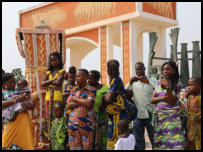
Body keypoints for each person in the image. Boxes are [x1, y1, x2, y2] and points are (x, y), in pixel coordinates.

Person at [102, 59, 137, 150]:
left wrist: (103, 96)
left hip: (118, 114)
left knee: (118, 137)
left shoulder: (116, 80)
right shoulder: (114, 80)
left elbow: (108, 98)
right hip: (115, 114)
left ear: (108, 69)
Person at [151, 61, 184, 150]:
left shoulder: (178, 85)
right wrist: (163, 98)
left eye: (167, 69)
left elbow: (173, 102)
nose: (165, 71)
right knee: (161, 143)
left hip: (172, 118)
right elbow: (152, 100)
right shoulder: (159, 84)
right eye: (163, 69)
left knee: (175, 143)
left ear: (174, 70)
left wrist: (168, 88)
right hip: (160, 118)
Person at [126, 62, 156, 150]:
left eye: (141, 69)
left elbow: (158, 89)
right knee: (139, 140)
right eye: (137, 69)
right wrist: (130, 83)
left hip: (151, 113)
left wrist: (148, 82)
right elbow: (125, 93)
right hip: (137, 114)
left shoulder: (152, 79)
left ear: (144, 69)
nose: (139, 71)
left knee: (154, 138)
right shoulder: (133, 82)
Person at [2, 73, 35, 150]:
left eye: (14, 81)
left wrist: (30, 104)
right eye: (10, 82)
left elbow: (28, 99)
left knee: (26, 143)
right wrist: (17, 100)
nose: (13, 84)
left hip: (23, 119)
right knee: (5, 143)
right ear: (4, 83)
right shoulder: (2, 92)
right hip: (11, 121)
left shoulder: (19, 89)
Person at [66, 69, 96, 150]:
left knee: (87, 147)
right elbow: (68, 104)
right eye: (76, 76)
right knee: (74, 148)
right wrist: (83, 101)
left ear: (85, 77)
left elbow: (89, 103)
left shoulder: (91, 89)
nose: (76, 78)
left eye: (78, 76)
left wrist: (75, 100)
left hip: (87, 125)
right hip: (73, 124)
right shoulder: (74, 89)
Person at [41, 52, 66, 140]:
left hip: (57, 98)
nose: (53, 62)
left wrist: (49, 81)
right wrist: (54, 79)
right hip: (48, 98)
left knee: (57, 117)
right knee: (48, 118)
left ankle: (57, 138)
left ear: (59, 60)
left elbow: (58, 82)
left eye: (55, 60)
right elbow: (42, 83)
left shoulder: (62, 71)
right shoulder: (48, 71)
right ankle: (49, 139)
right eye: (51, 60)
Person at [88, 70, 108, 150]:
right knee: (92, 136)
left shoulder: (105, 88)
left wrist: (104, 104)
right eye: (88, 78)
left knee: (102, 136)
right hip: (90, 116)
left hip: (101, 116)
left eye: (90, 78)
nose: (88, 80)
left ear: (96, 79)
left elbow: (108, 99)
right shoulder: (87, 88)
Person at [183, 77, 201, 150]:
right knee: (189, 143)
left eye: (191, 85)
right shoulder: (190, 96)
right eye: (188, 85)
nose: (189, 87)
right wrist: (186, 96)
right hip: (190, 124)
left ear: (200, 85)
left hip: (198, 124)